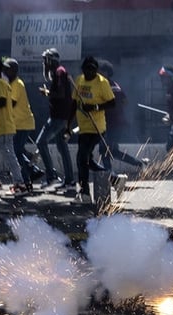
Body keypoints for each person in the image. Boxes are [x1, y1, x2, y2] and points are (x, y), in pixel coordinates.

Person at [97, 60, 148, 196]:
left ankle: (111, 178)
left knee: (105, 151)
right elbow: (125, 101)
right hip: (116, 123)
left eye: (99, 71)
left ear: (105, 72)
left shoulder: (106, 85)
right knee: (112, 152)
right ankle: (139, 163)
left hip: (112, 124)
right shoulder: (115, 85)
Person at [71, 56, 114, 204]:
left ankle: (85, 193)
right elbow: (74, 103)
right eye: (87, 69)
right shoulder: (78, 80)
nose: (90, 72)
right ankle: (113, 178)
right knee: (86, 160)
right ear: (83, 70)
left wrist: (95, 107)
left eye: (93, 70)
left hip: (97, 128)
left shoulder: (102, 83)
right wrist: (68, 125)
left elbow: (112, 103)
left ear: (96, 70)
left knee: (82, 157)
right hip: (83, 127)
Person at [0, 59, 27, 195]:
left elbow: (1, 102)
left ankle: (20, 184)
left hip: (4, 128)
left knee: (9, 155)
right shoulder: (3, 83)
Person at [35, 48, 75, 191]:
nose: (44, 63)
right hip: (63, 116)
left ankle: (51, 176)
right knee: (62, 148)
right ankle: (70, 181)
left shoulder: (59, 72)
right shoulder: (60, 72)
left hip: (59, 117)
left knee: (41, 142)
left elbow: (60, 93)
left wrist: (47, 93)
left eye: (45, 60)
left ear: (51, 60)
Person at [3, 57, 44, 192]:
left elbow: (11, 104)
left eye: (7, 70)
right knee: (17, 150)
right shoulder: (10, 84)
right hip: (17, 123)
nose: (5, 72)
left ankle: (27, 180)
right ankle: (33, 169)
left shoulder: (17, 84)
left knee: (16, 151)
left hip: (23, 123)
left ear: (14, 70)